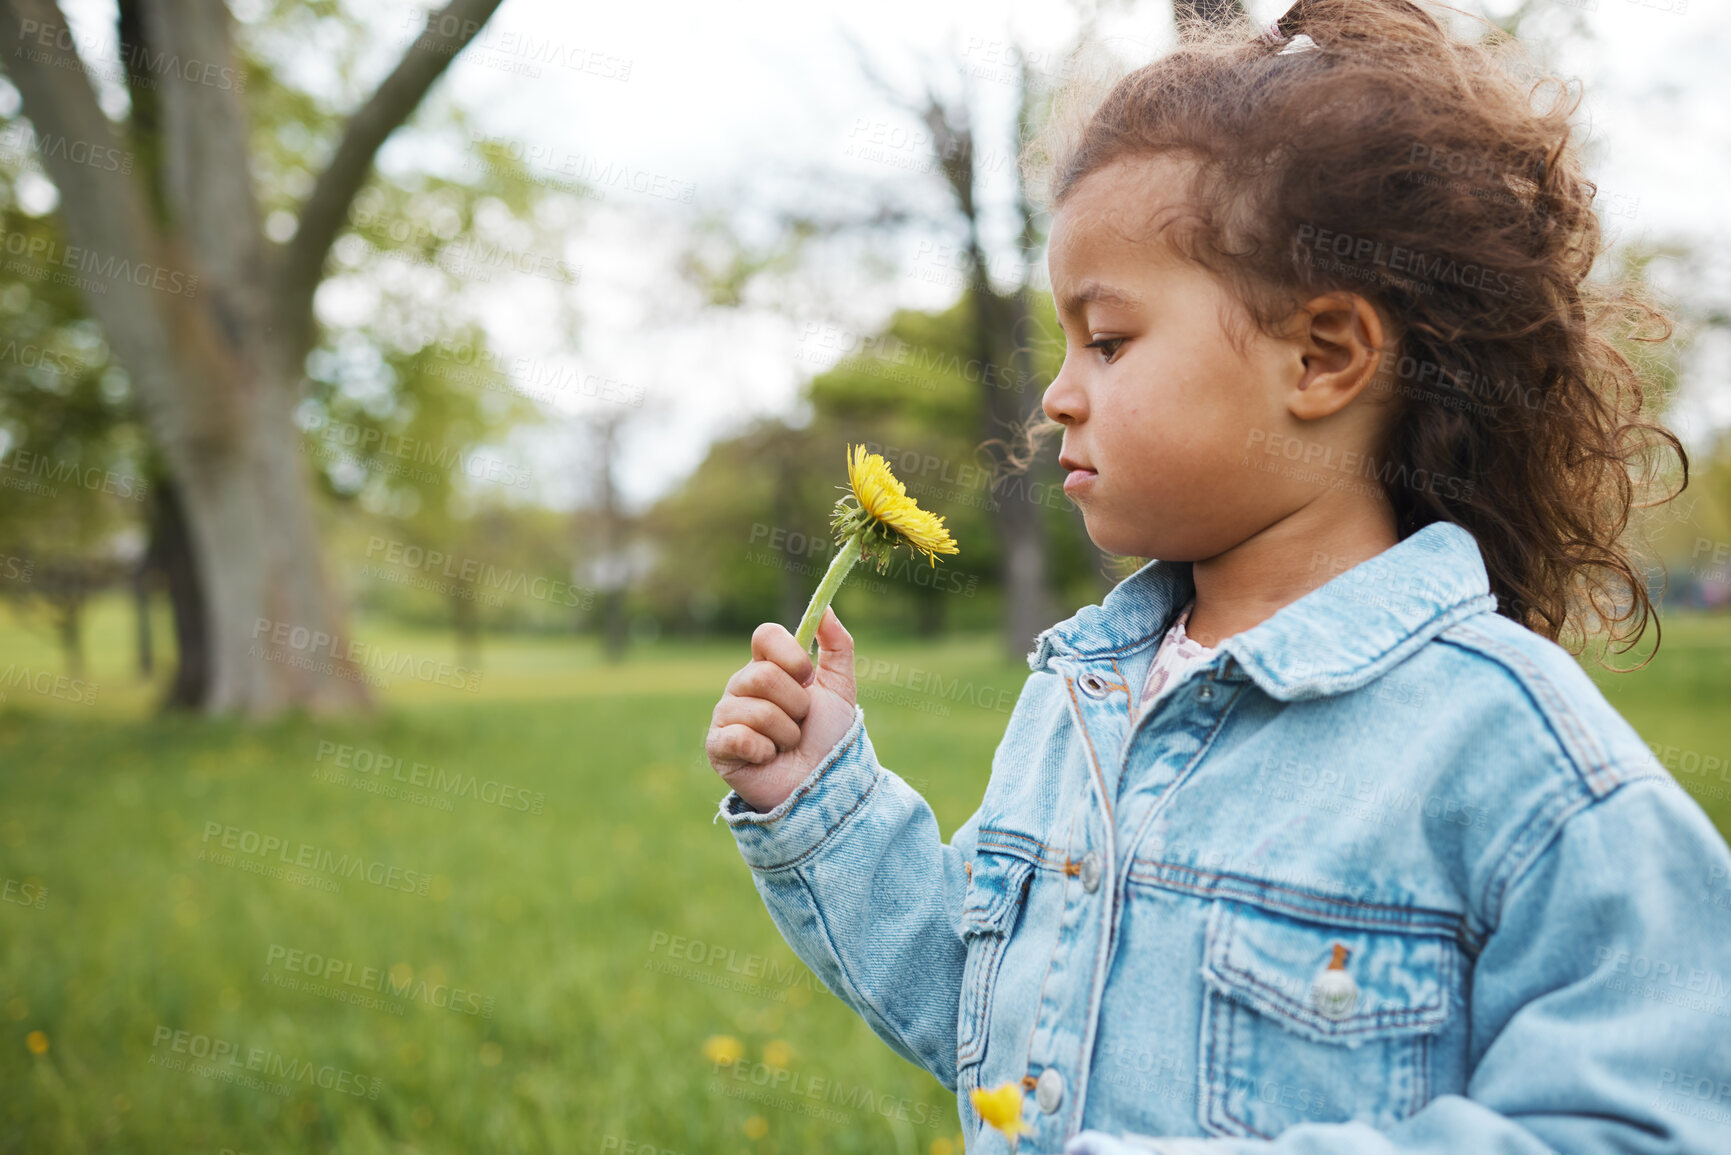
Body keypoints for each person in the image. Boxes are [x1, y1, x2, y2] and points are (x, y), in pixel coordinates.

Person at [705, 1, 1731, 1150]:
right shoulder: (1081, 698)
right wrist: (819, 796)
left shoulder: (1509, 750)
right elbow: (998, 1029)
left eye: (1108, 339)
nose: (1056, 394)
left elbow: (1643, 1123)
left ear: (1322, 356)